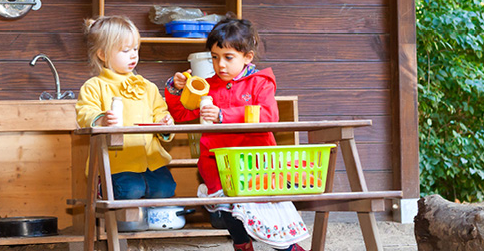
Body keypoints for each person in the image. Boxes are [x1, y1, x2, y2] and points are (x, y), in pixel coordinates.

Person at [166, 16, 309, 251]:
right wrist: (175, 88)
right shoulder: (206, 86)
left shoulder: (260, 83)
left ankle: (290, 249)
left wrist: (223, 115)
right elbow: (181, 114)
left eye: (228, 57)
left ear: (247, 57)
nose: (220, 64)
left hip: (256, 164)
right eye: (214, 57)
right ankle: (242, 245)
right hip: (217, 165)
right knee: (230, 212)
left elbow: (268, 116)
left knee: (267, 213)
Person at [76, 15, 176, 201]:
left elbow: (160, 112)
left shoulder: (148, 86)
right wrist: (101, 119)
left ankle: (145, 217)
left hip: (151, 159)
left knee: (166, 188)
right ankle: (102, 188)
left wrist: (165, 123)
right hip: (116, 161)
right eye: (125, 50)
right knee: (130, 190)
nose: (133, 55)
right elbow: (84, 113)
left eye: (135, 49)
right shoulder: (94, 86)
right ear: (103, 55)